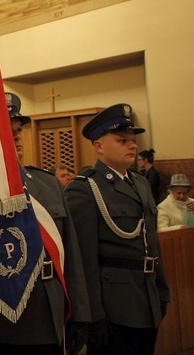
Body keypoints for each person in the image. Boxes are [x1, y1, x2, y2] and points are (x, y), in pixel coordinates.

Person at [0, 93, 90, 355]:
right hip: (1, 320)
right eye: (7, 130)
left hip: (50, 311)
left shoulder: (47, 184)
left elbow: (72, 257)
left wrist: (80, 313)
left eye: (18, 130)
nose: (17, 136)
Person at [65, 104, 169, 355]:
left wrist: (162, 291)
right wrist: (92, 314)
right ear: (99, 146)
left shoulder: (140, 184)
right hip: (115, 308)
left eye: (133, 140)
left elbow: (151, 243)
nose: (132, 146)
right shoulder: (85, 188)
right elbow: (83, 259)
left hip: (148, 300)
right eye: (122, 140)